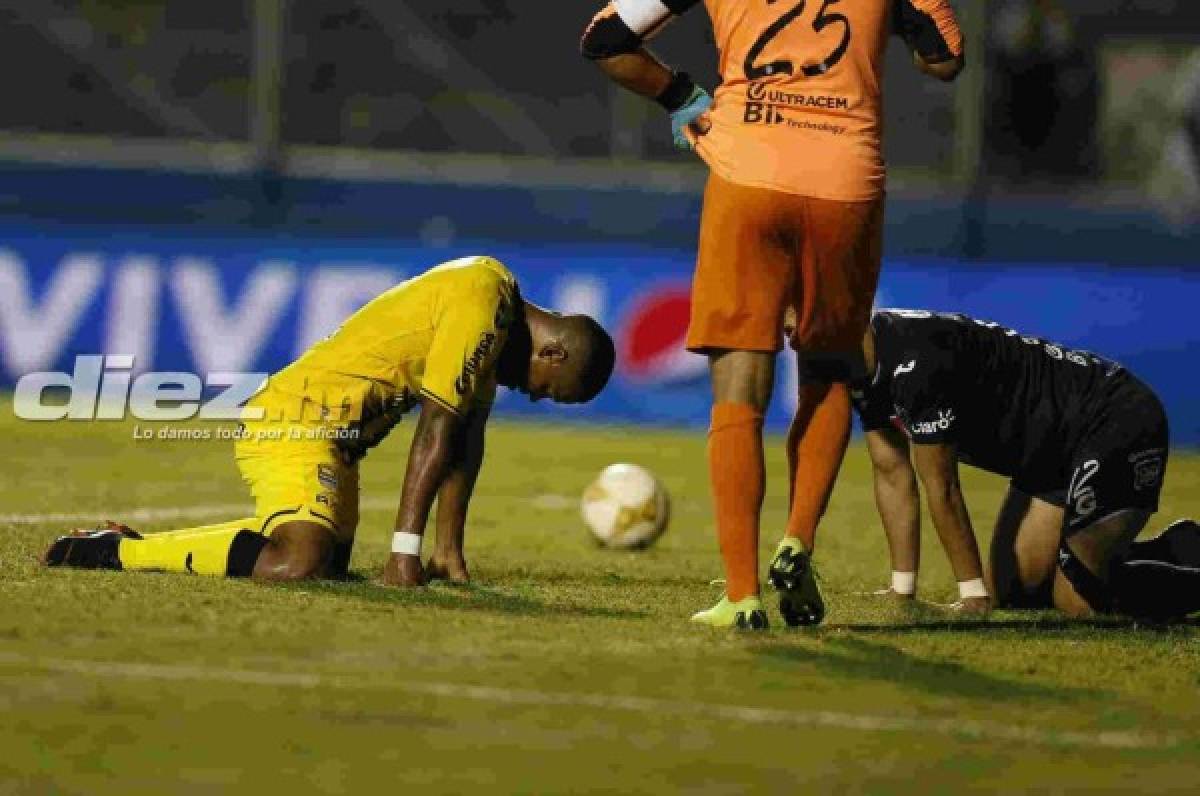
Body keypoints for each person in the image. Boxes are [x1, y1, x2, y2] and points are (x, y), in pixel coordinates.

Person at [580, 0, 964, 628]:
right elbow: (944, 60)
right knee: (830, 367)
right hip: (846, 184)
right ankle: (798, 541)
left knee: (739, 382)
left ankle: (742, 594)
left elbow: (604, 39)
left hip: (746, 173)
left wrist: (680, 94)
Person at [43, 256, 615, 587]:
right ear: (554, 355)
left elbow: (465, 440)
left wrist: (447, 548)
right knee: (298, 561)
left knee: (323, 565)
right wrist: (403, 550)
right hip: (296, 421)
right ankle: (112, 554)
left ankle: (128, 542)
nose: (537, 398)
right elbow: (437, 428)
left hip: (336, 445)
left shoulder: (497, 324)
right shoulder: (482, 298)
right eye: (550, 392)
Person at [854, 309, 1200, 620]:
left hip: (1111, 419)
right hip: (1050, 452)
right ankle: (1180, 547)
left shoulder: (918, 357)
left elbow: (942, 487)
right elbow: (892, 474)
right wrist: (902, 590)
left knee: (1078, 601)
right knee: (1017, 591)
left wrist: (973, 594)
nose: (797, 335)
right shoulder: (860, 367)